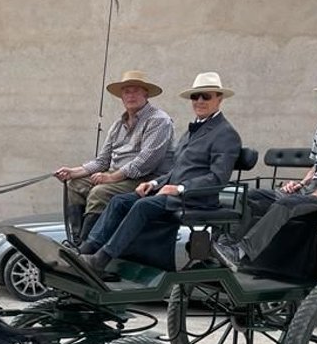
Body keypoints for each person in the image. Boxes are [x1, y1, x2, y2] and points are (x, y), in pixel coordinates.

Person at [210, 71, 317, 272]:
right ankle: (226, 246)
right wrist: (300, 184)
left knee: (285, 204)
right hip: (312, 191)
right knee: (248, 195)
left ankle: (240, 252)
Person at [78, 72, 243, 273]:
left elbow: (218, 178)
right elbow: (177, 169)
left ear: (219, 98)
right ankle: (86, 249)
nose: (199, 101)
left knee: (142, 206)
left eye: (206, 96)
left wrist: (180, 189)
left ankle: (102, 259)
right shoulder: (193, 130)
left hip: (196, 199)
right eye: (195, 96)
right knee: (119, 201)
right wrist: (155, 184)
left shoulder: (226, 134)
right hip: (172, 193)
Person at [53, 70, 174, 244]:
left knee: (99, 192)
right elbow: (102, 161)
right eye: (126, 91)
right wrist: (73, 172)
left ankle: (89, 246)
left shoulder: (159, 120)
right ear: (121, 96)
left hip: (147, 179)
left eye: (135, 91)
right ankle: (76, 241)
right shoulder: (118, 125)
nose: (130, 95)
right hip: (118, 177)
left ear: (146, 93)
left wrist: (110, 177)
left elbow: (145, 163)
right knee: (75, 185)